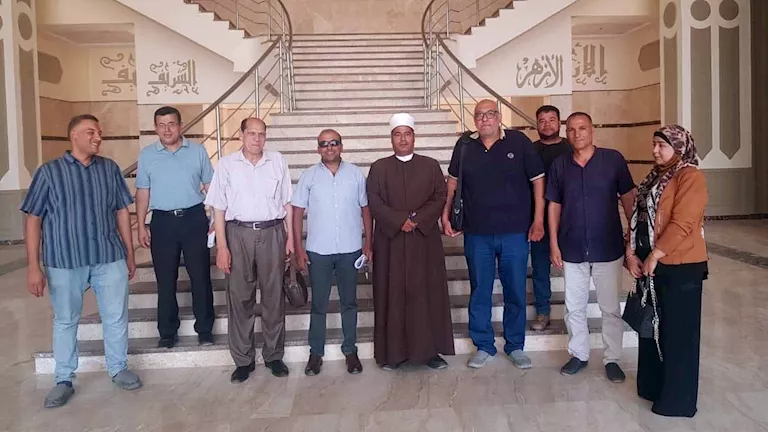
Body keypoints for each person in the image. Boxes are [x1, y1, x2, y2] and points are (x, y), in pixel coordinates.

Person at [21, 114, 142, 408]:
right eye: (91, 132)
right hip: (64, 259)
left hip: (108, 255)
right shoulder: (49, 173)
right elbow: (33, 218)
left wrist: (129, 253)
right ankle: (63, 379)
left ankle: (118, 368)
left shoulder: (109, 169)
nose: (98, 137)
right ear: (73, 136)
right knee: (65, 320)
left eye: (99, 132)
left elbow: (122, 211)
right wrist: (34, 266)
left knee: (115, 316)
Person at [442, 100, 546, 370]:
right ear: (474, 120)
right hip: (477, 233)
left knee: (515, 290)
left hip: (515, 232)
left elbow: (538, 181)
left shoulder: (518, 142)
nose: (484, 119)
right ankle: (483, 345)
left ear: (498, 117)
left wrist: (538, 220)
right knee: (480, 290)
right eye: (479, 115)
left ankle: (515, 345)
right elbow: (452, 182)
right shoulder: (464, 145)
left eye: (489, 114)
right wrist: (445, 212)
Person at [546, 112, 636, 383]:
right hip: (572, 247)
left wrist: (632, 238)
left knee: (610, 308)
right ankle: (579, 355)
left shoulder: (613, 160)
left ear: (592, 130)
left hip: (607, 245)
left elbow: (628, 198)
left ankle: (612, 359)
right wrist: (553, 243)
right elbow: (554, 205)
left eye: (582, 128)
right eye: (572, 129)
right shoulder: (560, 165)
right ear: (567, 133)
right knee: (574, 307)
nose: (577, 134)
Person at [626, 125, 708, 418]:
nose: (655, 151)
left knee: (678, 335)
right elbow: (638, 218)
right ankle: (652, 387)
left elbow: (683, 223)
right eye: (654, 144)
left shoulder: (690, 177)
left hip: (680, 266)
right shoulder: (654, 177)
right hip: (650, 263)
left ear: (680, 147)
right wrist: (632, 254)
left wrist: (655, 255)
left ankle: (677, 401)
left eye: (662, 145)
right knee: (652, 329)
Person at [205, 117, 294, 382]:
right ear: (241, 135)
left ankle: (274, 355)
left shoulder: (277, 161)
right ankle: (243, 360)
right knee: (240, 298)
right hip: (238, 233)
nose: (257, 138)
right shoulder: (227, 164)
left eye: (261, 134)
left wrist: (290, 238)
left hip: (272, 232)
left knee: (273, 297)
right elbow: (218, 207)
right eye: (252, 133)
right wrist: (222, 247)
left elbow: (287, 203)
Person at [366, 113, 454, 370]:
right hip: (390, 243)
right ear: (391, 138)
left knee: (426, 295)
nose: (403, 139)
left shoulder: (430, 165)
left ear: (414, 137)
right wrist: (398, 221)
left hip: (423, 242)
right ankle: (393, 354)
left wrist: (416, 220)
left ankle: (429, 352)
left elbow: (440, 196)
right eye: (397, 134)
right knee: (392, 295)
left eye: (407, 134)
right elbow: (374, 200)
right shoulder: (379, 168)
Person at [292, 129, 373, 376]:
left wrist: (368, 243)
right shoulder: (308, 176)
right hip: (319, 251)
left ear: (341, 146)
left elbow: (366, 209)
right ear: (318, 149)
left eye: (334, 143)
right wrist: (298, 248)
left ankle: (350, 351)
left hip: (350, 249)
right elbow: (297, 212)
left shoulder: (355, 174)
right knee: (319, 304)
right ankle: (316, 353)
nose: (329, 147)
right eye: (324, 144)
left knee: (349, 302)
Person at [135, 106, 215, 348]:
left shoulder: (197, 151)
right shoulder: (147, 155)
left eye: (171, 124)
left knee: (200, 276)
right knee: (165, 279)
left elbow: (211, 187)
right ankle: (167, 332)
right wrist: (141, 226)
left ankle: (205, 330)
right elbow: (142, 192)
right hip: (162, 222)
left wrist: (214, 220)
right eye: (161, 125)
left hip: (194, 219)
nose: (167, 129)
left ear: (180, 126)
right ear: (155, 128)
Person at [530, 105, 571, 331]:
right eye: (542, 121)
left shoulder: (571, 148)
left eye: (552, 120)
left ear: (560, 122)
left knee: (574, 269)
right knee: (539, 268)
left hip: (570, 218)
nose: (547, 125)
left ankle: (575, 313)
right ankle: (543, 312)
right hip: (539, 219)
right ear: (536, 124)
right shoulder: (530, 150)